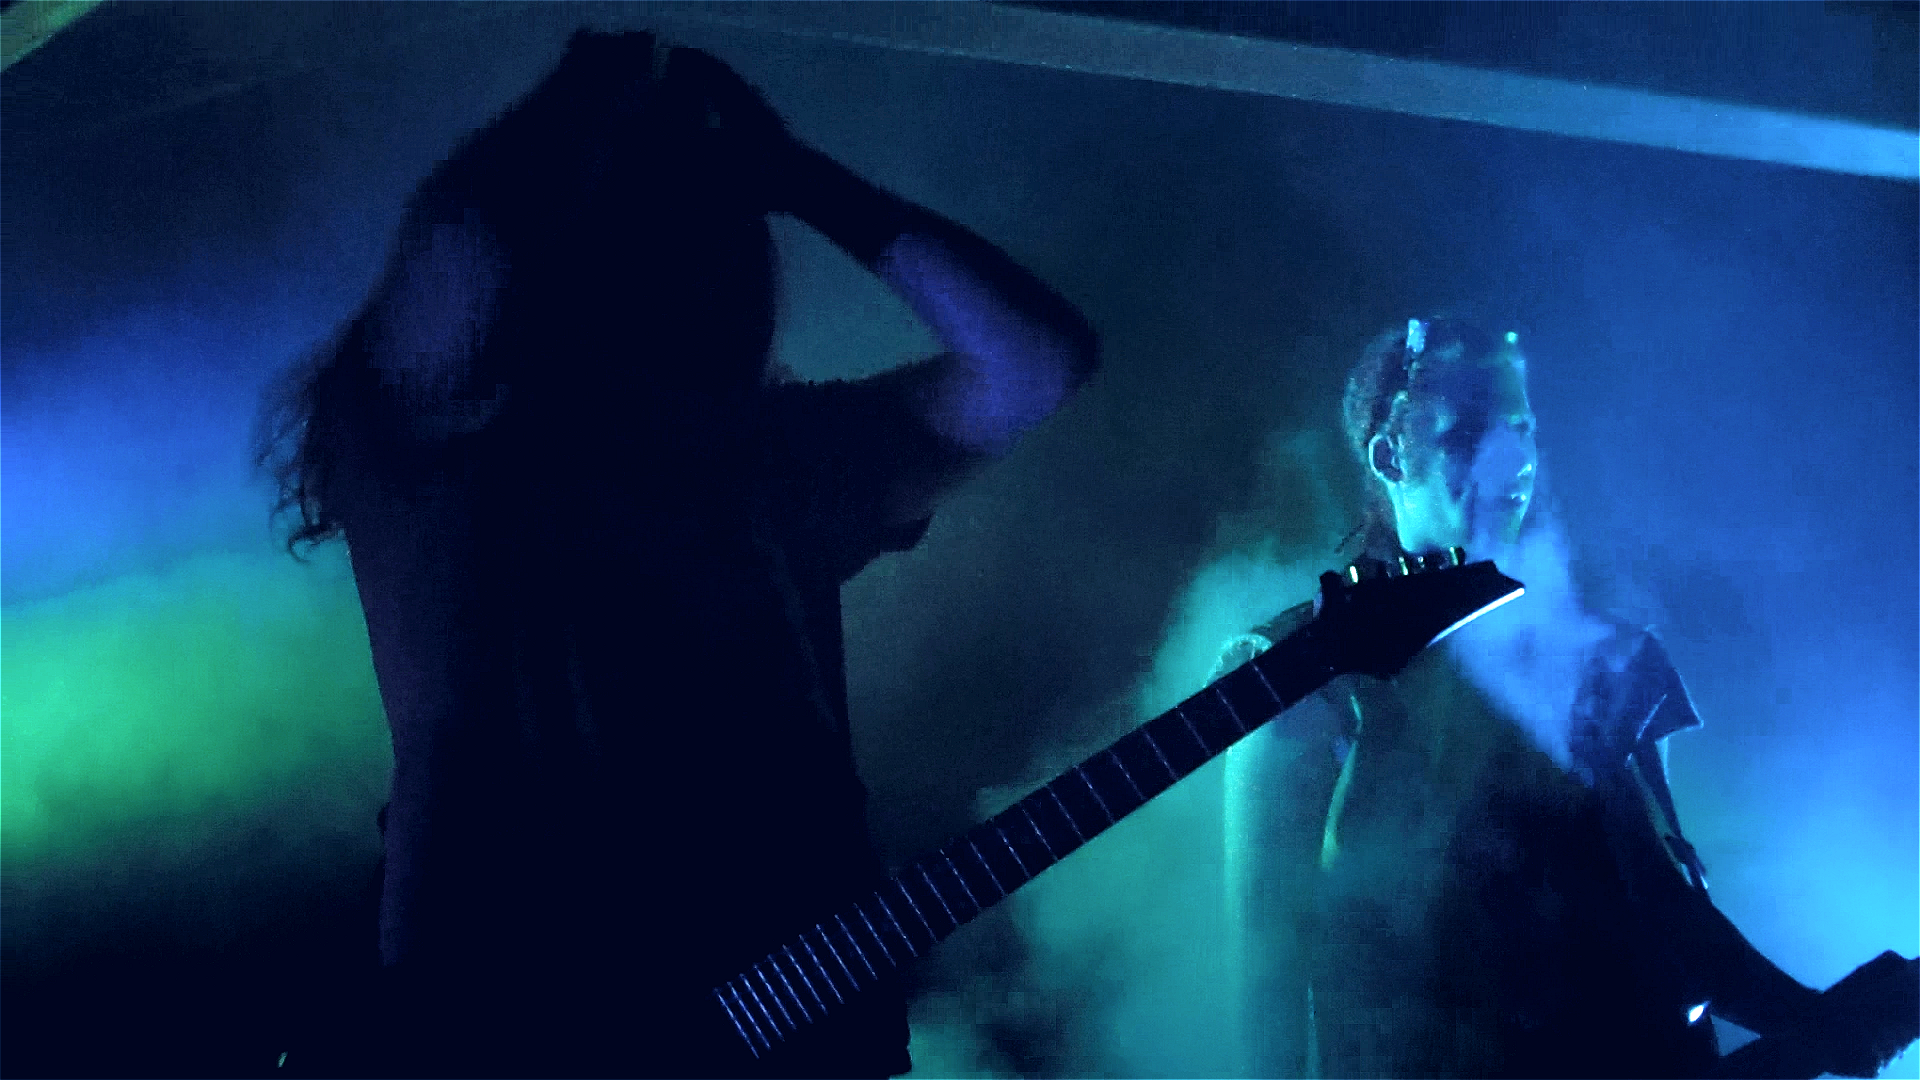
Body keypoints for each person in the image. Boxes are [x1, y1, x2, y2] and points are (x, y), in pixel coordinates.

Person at [256, 31, 1099, 1078]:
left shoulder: (772, 461)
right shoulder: (446, 456)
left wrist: (796, 177)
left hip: (786, 1025)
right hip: (506, 1021)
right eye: (677, 238)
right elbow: (463, 242)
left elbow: (1034, 365)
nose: (716, 275)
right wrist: (608, 89)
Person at [1214, 318, 1916, 1078]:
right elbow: (1269, 978)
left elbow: (1667, 908)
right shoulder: (1300, 670)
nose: (1512, 459)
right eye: (1469, 433)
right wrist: (1830, 1028)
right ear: (1390, 456)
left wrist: (1832, 1026)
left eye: (1523, 430)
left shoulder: (1604, 657)